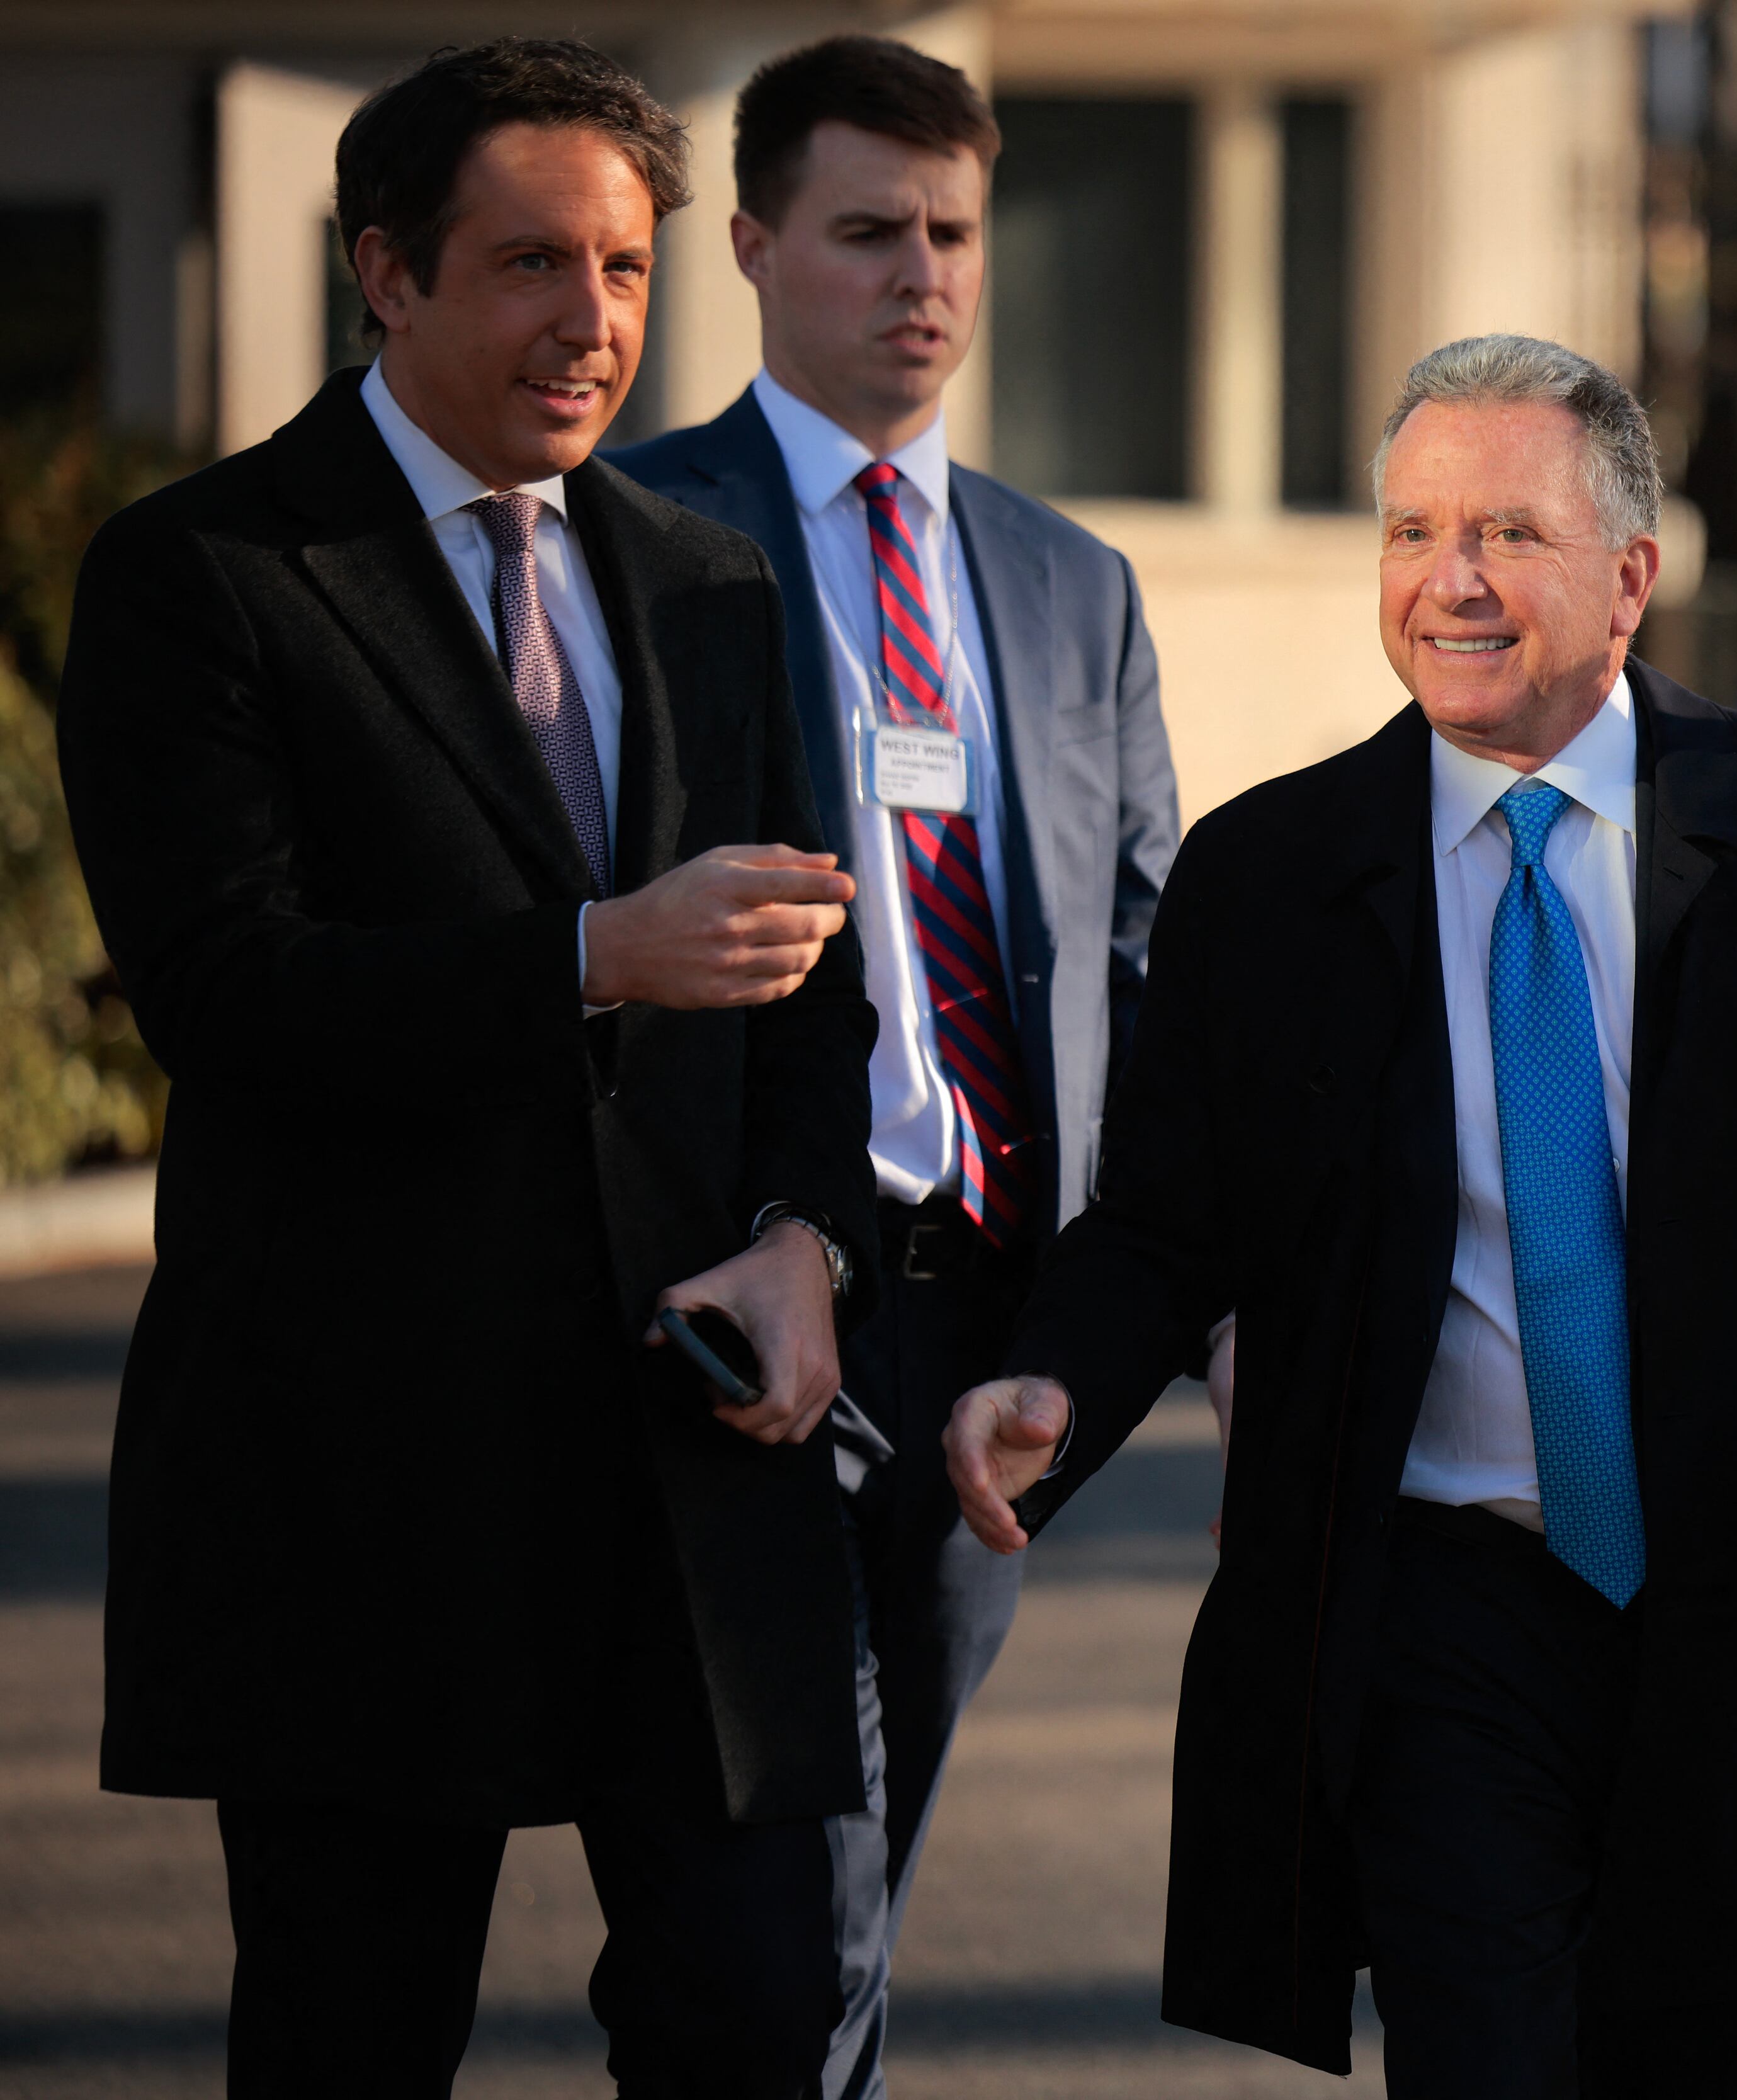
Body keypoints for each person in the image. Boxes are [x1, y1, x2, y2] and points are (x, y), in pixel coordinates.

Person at [945, 335, 1737, 2092]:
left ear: (1633, 577)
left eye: (1504, 535)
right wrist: (1057, 1390)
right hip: (1439, 1604)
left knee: (1685, 2066)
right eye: (1410, 532)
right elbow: (1168, 1224)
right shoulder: (1273, 877)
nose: (1446, 582)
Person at [59, 40, 880, 2095]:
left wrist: (803, 1240)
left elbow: (809, 993)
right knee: (351, 2041)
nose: (591, 322)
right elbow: (229, 995)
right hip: (364, 1477)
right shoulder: (210, 577)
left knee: (767, 2024)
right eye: (528, 263)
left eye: (619, 267)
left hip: (693, 1474)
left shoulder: (707, 579)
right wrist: (598, 957)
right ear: (386, 275)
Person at [610, 38, 1179, 2097]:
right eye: (867, 233)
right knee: (777, 1925)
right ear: (752, 250)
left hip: (987, 1333)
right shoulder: (622, 529)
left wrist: (1179, 1296)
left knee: (861, 1900)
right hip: (748, 1324)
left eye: (951, 233)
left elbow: (1145, 954)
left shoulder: (1065, 582)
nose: (920, 276)